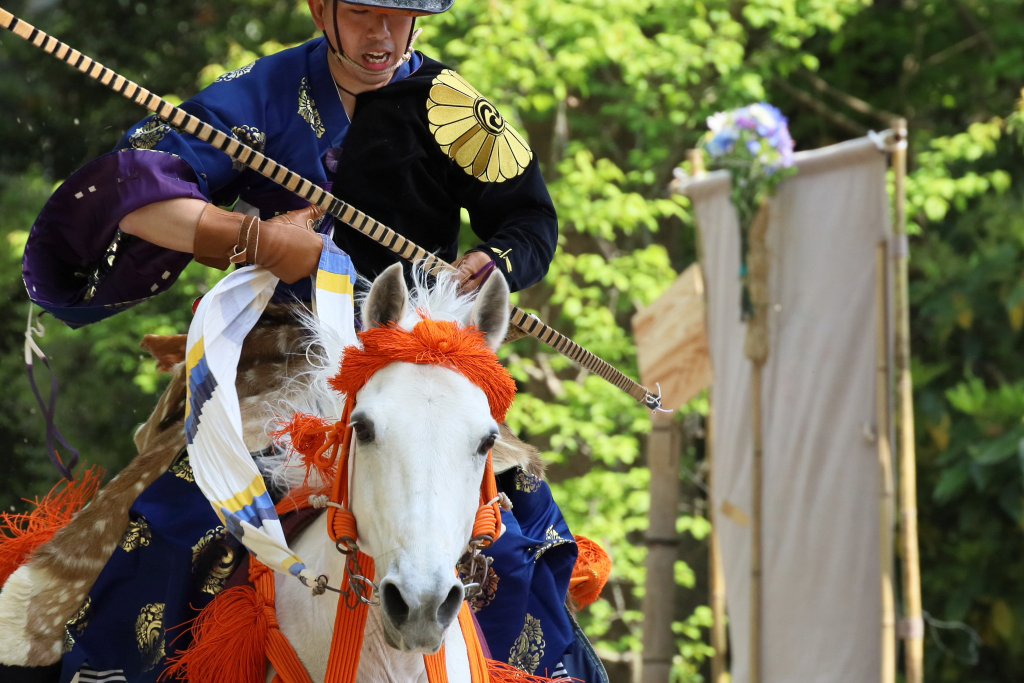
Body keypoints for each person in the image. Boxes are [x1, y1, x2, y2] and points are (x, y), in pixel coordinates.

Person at [7, 2, 609, 682]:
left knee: (524, 520)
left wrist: (491, 260)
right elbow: (130, 188)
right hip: (278, 357)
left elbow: (530, 218)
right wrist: (253, 238)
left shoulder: (456, 108)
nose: (382, 35)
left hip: (411, 361)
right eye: (361, 12)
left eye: (400, 16)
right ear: (322, 8)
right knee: (178, 519)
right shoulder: (259, 94)